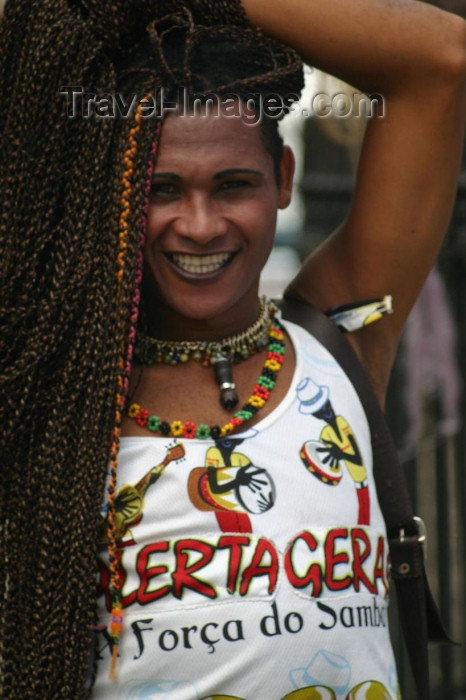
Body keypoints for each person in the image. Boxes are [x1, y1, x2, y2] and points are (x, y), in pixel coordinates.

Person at [0, 0, 465, 698]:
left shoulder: (340, 336)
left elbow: (441, 62)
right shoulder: (52, 391)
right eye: (160, 189)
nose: (199, 224)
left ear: (282, 177)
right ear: (114, 192)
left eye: (233, 185)